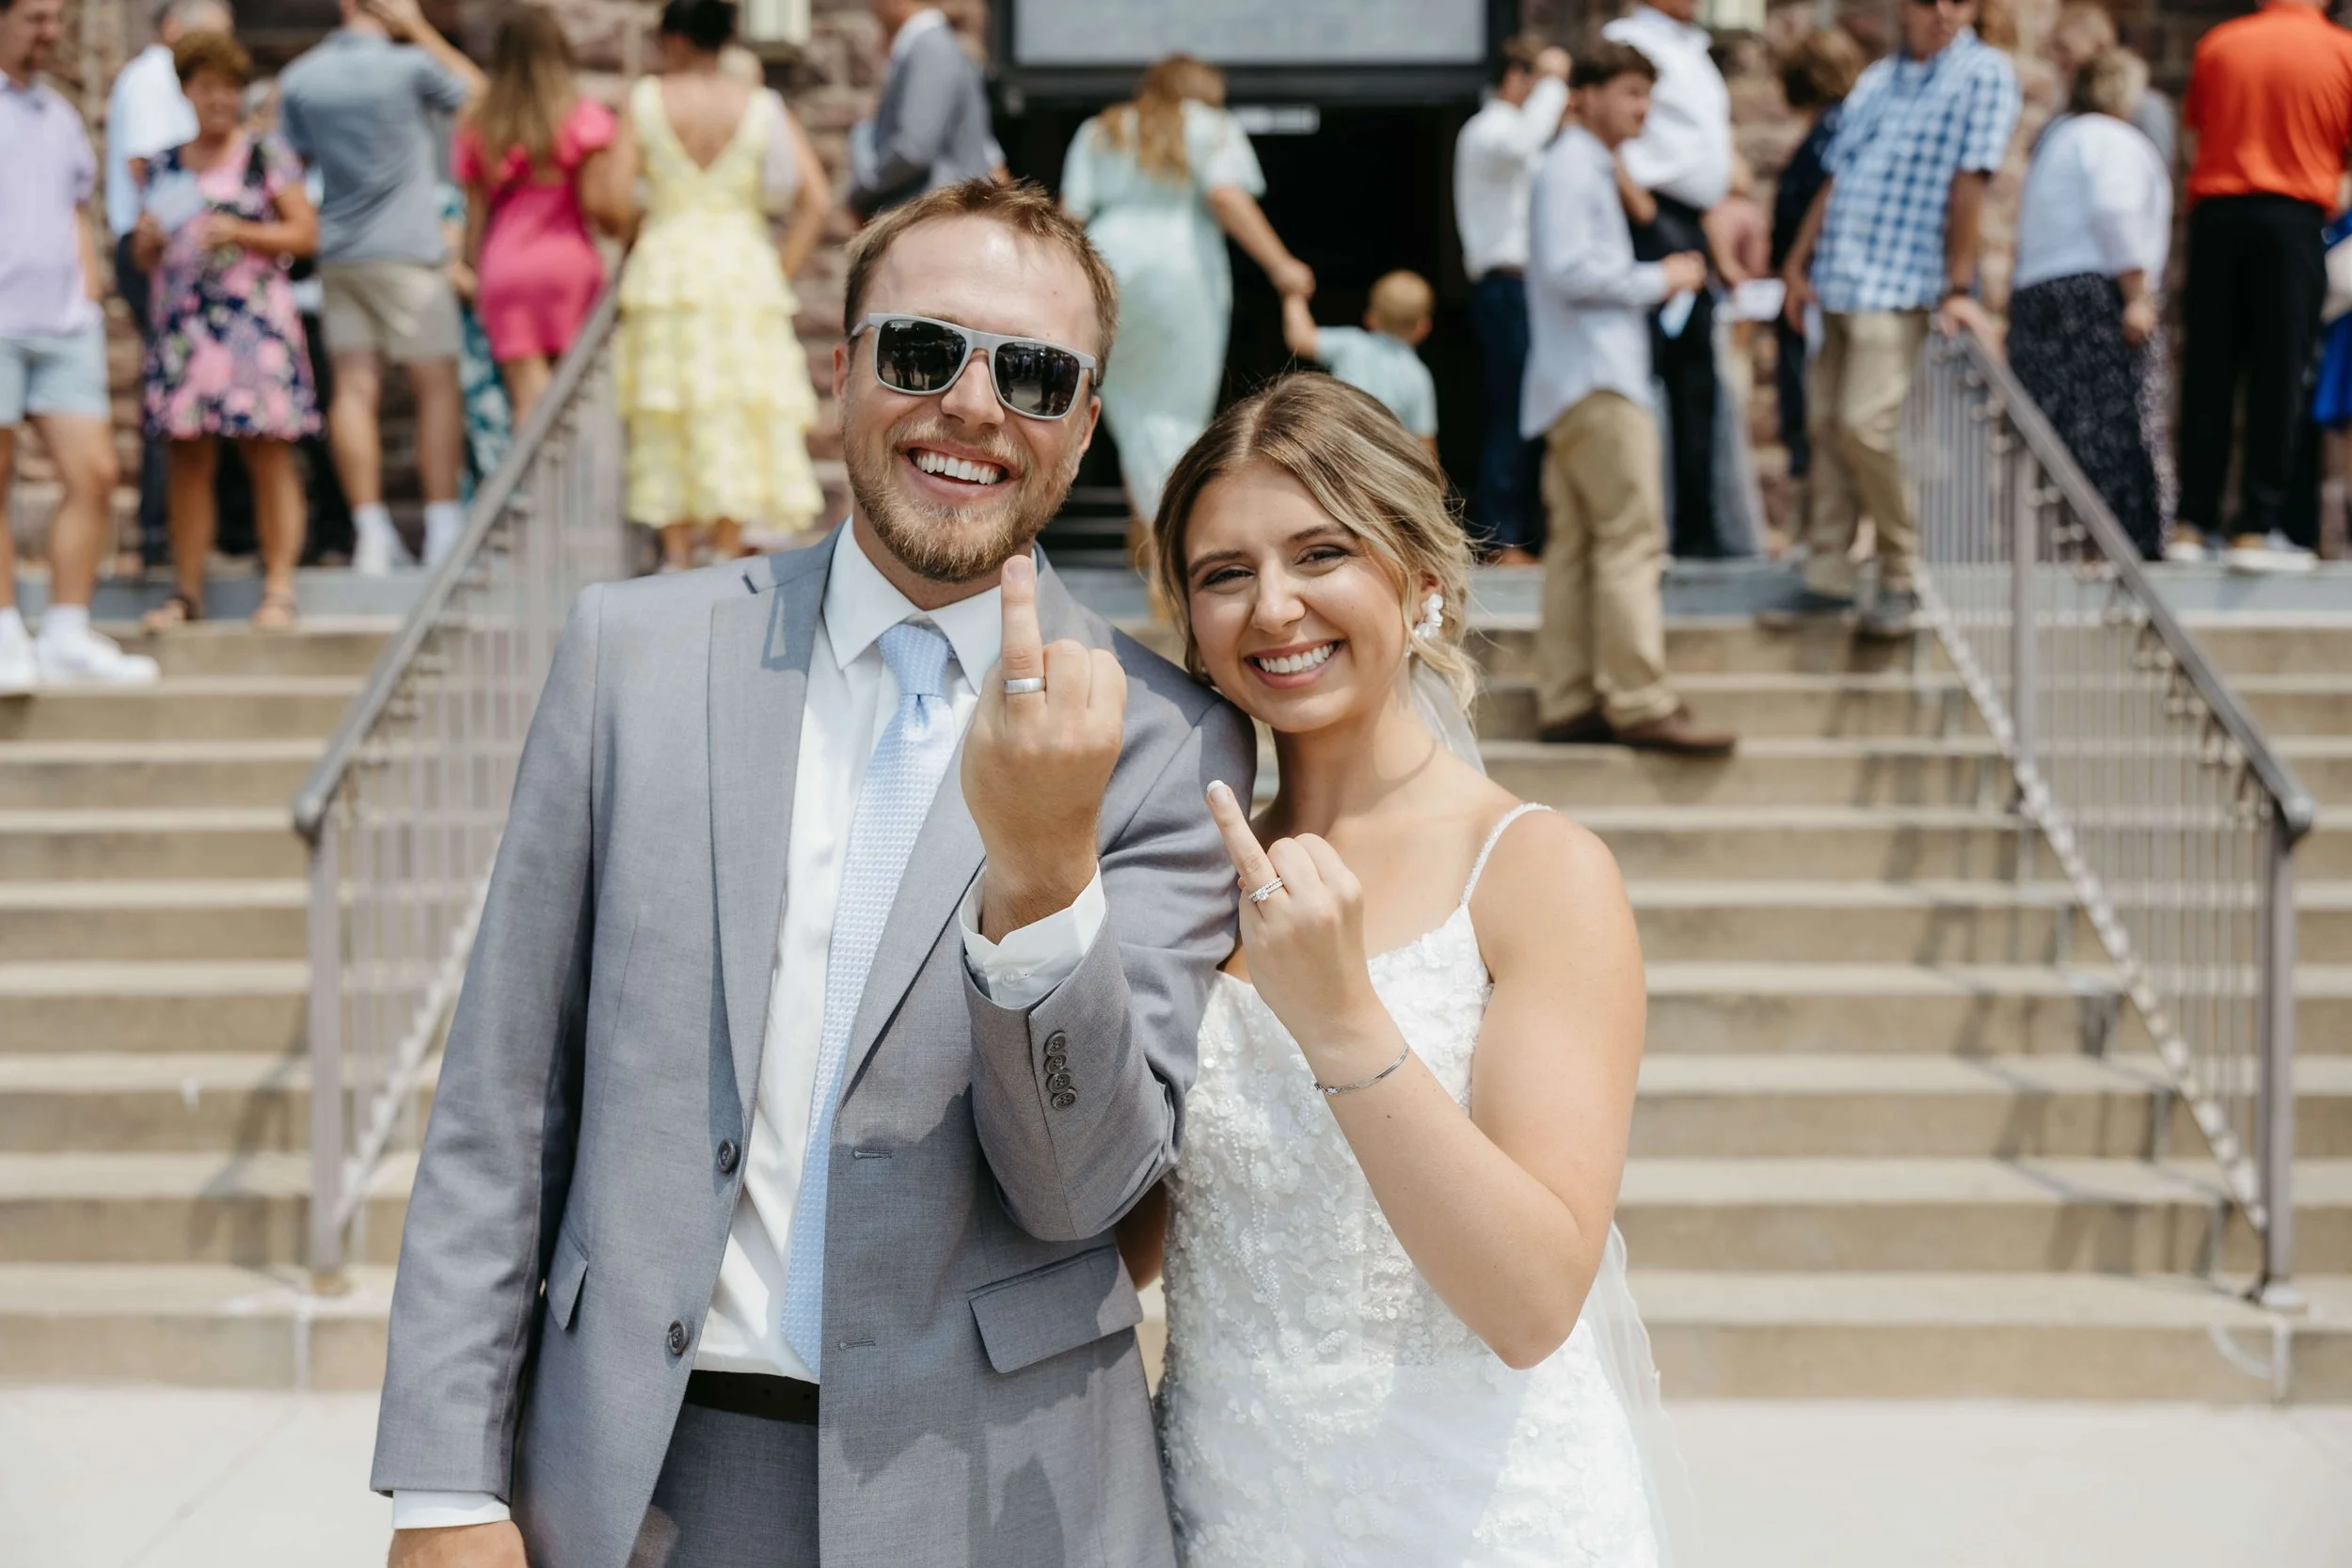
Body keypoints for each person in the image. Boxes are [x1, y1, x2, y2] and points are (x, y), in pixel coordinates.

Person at [371, 177, 1253, 1568]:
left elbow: (1084, 1190)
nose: (971, 404)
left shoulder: (1170, 740)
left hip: (1002, 1487)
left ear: (1083, 423)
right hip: (643, 1470)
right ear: (840, 370)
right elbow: (501, 1096)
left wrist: (1039, 872)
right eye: (920, 351)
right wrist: (442, 1481)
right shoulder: (630, 654)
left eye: (1030, 373)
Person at [1136, 372, 1698, 1564]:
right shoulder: (1184, 880)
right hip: (1230, 1511)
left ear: (1424, 577)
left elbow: (1533, 1299)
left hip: (1479, 1521)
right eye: (1224, 573)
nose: (1273, 606)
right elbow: (1129, 1237)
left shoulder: (1538, 869)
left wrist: (1343, 1023)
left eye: (1319, 552)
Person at [1779, 0, 2021, 639]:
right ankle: (1828, 571)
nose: (1942, 11)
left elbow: (1971, 182)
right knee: (1826, 425)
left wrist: (1957, 285)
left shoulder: (1984, 73)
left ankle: (1900, 567)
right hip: (1840, 274)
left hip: (1905, 280)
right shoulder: (1878, 79)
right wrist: (1797, 264)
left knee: (1867, 424)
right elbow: (1838, 178)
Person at [1523, 42, 1731, 757]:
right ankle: (1639, 699)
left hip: (1577, 382)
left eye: (1647, 95)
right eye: (1633, 93)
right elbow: (1569, 268)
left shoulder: (1574, 164)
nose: (1643, 109)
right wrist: (1660, 276)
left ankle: (1570, 696)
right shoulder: (1572, 165)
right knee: (1631, 539)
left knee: (1581, 543)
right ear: (1586, 95)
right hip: (1601, 379)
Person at [609, 0, 830, 571]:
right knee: (737, 407)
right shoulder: (760, 106)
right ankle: (729, 547)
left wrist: (640, 225)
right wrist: (779, 269)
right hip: (743, 270)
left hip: (669, 267)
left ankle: (677, 553)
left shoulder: (647, 100)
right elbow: (817, 199)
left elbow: (610, 197)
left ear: (675, 39)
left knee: (670, 406)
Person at [1059, 54, 1313, 527]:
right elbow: (1224, 195)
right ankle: (1174, 533)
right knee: (1177, 411)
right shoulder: (1210, 125)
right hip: (1182, 269)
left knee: (1128, 407)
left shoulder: (1101, 128)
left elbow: (1070, 215)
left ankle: (1147, 534)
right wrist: (1282, 265)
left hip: (1109, 263)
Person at [278, 0, 483, 575]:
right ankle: (443, 526)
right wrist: (417, 28)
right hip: (411, 251)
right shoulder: (408, 66)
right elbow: (483, 96)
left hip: (341, 251)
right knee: (436, 384)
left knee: (352, 390)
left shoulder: (301, 76)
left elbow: (288, 160)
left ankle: (371, 532)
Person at [130, 30, 319, 634]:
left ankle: (280, 589)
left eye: (229, 88)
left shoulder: (267, 156)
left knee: (269, 453)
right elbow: (142, 254)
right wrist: (149, 242)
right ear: (187, 91)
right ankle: (187, 592)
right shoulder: (163, 164)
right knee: (187, 458)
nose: (220, 100)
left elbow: (305, 235)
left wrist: (239, 231)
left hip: (252, 327)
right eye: (208, 88)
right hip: (187, 329)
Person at [0, 0, 157, 692]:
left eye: (57, 18)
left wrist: (90, 302)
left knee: (92, 474)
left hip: (65, 325)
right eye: (36, 18)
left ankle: (65, 631)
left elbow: (74, 216)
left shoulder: (59, 116)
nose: (51, 32)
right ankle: (5, 632)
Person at [2170, 0, 2352, 573]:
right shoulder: (2342, 52)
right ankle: (2256, 525)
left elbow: (2192, 144)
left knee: (2208, 370)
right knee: (2280, 371)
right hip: (2294, 219)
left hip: (2216, 215)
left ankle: (2192, 524)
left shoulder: (2218, 44)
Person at [2008, 48, 2172, 559]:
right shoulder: (2113, 140)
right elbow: (2115, 211)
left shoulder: (2058, 139)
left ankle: (2060, 546)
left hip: (2038, 295)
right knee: (2112, 429)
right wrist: (2136, 296)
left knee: (2054, 430)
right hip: (2094, 298)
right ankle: (2114, 548)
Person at [105, 0, 232, 577]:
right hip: (157, 253)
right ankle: (159, 536)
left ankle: (187, 534)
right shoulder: (154, 76)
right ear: (175, 30)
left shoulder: (163, 78)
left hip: (183, 251)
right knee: (174, 391)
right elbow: (153, 170)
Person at [1606, 0, 1733, 560]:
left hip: (1689, 222)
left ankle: (1697, 528)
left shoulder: (1694, 49)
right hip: (1649, 216)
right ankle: (1640, 530)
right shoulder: (1628, 38)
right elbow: (1600, 131)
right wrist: (1642, 209)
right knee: (1646, 376)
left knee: (1696, 384)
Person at [453, 7, 622, 422]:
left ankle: (535, 490)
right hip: (569, 264)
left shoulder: (479, 122)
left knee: (527, 395)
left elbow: (475, 220)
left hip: (506, 267)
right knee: (576, 396)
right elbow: (597, 206)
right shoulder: (583, 118)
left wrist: (471, 270)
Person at [1454, 34, 1571, 563]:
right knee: (1514, 412)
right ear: (1515, 77)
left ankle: (1523, 533)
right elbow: (1526, 143)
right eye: (1539, 80)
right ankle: (1504, 539)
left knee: (1530, 411)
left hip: (1527, 287)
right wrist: (1554, 81)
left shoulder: (1509, 132)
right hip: (1505, 287)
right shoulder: (1489, 129)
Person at [1770, 28, 1864, 515]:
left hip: (1813, 299)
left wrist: (1796, 271)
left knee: (1814, 414)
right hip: (1810, 297)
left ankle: (1826, 531)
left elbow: (1827, 209)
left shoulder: (1832, 135)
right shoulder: (1836, 129)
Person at [845, 0, 995, 220]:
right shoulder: (926, 46)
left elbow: (914, 149)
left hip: (941, 221)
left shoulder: (930, 48)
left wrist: (862, 191)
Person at [1279, 269, 1439, 458]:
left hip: (1337, 448)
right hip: (1381, 464)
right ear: (1424, 328)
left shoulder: (1352, 344)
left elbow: (1300, 338)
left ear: (1371, 317)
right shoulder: (1418, 375)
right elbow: (1425, 444)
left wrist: (1292, 294)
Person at [2048, 3, 2174, 171]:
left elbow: (2155, 176)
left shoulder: (2144, 107)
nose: (2057, 59)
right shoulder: (2064, 109)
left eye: (2065, 48)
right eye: (2054, 49)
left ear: (2099, 47)